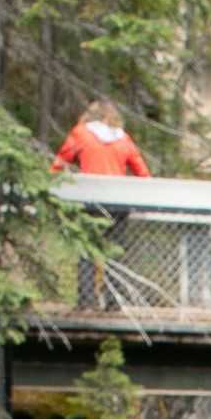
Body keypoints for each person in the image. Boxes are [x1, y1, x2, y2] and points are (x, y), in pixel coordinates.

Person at [51, 98, 150, 308]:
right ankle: (114, 301)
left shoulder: (81, 133)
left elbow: (60, 162)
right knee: (114, 252)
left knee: (87, 252)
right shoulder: (123, 139)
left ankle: (86, 301)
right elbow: (143, 173)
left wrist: (50, 185)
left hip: (89, 202)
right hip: (118, 204)